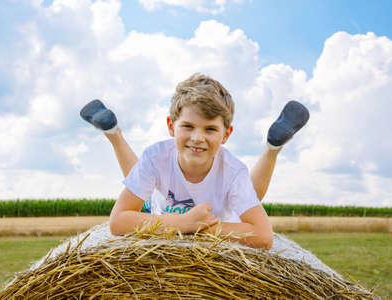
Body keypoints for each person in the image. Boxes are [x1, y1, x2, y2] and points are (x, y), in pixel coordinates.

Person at [80, 73, 309, 250]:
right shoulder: (156, 156)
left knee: (244, 196)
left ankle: (272, 147)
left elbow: (263, 236)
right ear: (171, 126)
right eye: (188, 126)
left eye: (210, 129)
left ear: (226, 135)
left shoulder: (233, 170)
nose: (197, 138)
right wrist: (182, 223)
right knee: (144, 196)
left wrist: (204, 229)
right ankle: (113, 132)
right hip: (162, 214)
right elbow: (118, 221)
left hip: (217, 220)